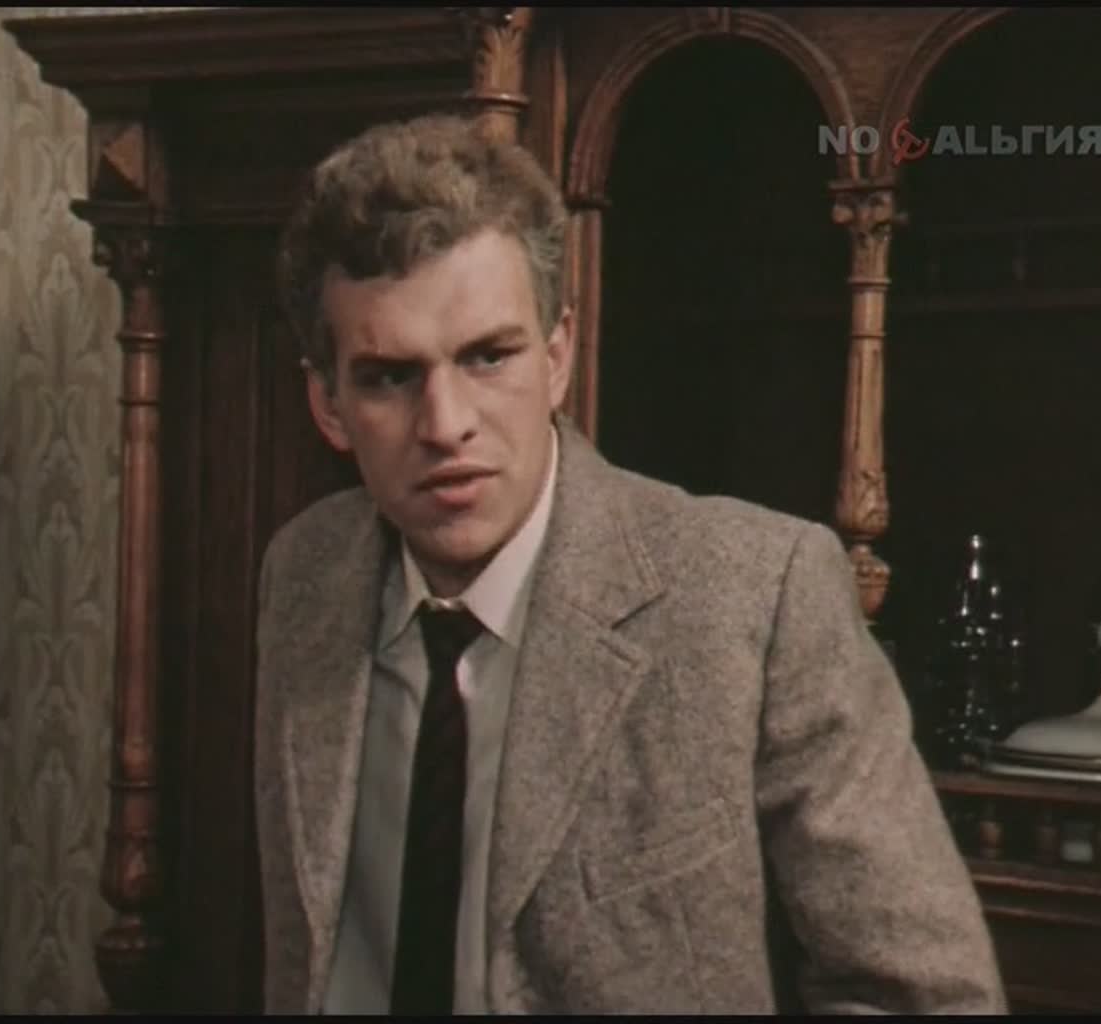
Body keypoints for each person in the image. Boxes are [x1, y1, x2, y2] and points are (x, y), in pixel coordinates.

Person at [254, 112, 1007, 1015]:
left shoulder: (754, 597)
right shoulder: (305, 572)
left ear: (557, 356)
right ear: (327, 404)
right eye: (389, 376)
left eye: (489, 357)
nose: (446, 425)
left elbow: (923, 995)